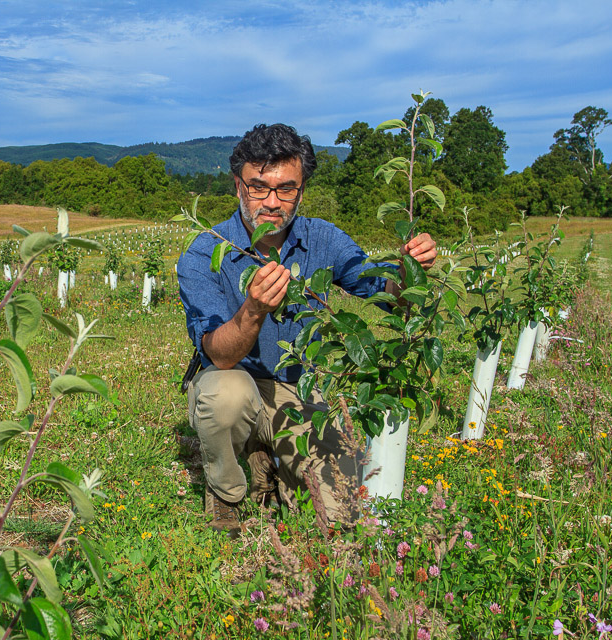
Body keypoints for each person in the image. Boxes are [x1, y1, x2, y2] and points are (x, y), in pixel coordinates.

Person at [176, 123, 437, 535]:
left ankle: (273, 459)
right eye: (258, 187)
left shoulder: (322, 239)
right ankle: (225, 493)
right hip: (236, 381)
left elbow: (381, 289)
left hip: (300, 390)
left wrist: (408, 272)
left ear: (302, 190)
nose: (271, 202)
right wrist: (254, 309)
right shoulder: (205, 250)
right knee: (224, 394)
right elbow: (220, 355)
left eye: (287, 189)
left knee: (343, 513)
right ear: (238, 186)